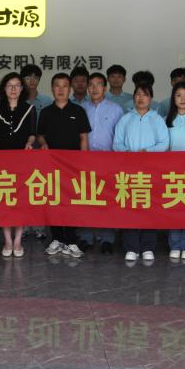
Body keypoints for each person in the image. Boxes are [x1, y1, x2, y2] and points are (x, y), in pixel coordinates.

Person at [38, 73, 91, 258]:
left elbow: (83, 137)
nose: (61, 89)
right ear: (52, 89)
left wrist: (84, 162)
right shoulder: (46, 112)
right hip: (51, 165)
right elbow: (40, 135)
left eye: (64, 86)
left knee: (71, 202)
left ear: (70, 89)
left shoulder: (78, 111)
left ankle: (71, 241)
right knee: (53, 201)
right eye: (57, 85)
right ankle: (57, 238)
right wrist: (43, 143)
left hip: (73, 166)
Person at [114, 83, 170, 262]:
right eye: (138, 94)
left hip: (150, 170)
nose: (141, 98)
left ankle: (147, 247)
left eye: (145, 95)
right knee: (129, 207)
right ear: (133, 98)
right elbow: (117, 143)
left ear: (150, 99)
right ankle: (131, 247)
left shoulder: (157, 119)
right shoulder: (125, 119)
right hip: (128, 170)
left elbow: (164, 143)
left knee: (149, 207)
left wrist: (149, 152)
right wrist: (126, 152)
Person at [0, 72, 38, 256]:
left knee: (20, 201)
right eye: (10, 85)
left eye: (17, 85)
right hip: (1, 160)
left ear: (22, 88)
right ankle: (7, 240)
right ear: (4, 88)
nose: (13, 89)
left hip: (22, 160)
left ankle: (18, 240)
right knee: (4, 199)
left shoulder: (29, 108)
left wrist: (30, 143)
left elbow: (32, 133)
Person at [81, 72, 123, 253]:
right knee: (86, 199)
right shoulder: (82, 108)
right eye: (91, 85)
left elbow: (120, 135)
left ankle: (107, 239)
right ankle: (85, 237)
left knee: (107, 200)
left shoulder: (116, 109)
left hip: (108, 160)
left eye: (98, 84)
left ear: (105, 88)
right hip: (86, 159)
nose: (95, 88)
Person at [165, 81, 185, 261]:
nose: (182, 99)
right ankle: (175, 244)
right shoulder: (166, 120)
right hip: (172, 171)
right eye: (178, 96)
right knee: (174, 207)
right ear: (173, 99)